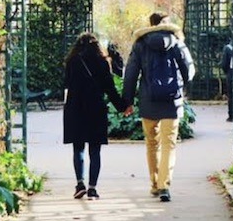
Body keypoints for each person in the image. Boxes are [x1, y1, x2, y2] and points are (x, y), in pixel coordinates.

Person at [122, 12, 195, 203]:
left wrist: (127, 100)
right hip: (172, 100)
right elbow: (189, 69)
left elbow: (130, 74)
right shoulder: (177, 42)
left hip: (148, 100)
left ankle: (154, 184)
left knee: (152, 143)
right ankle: (164, 185)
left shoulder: (140, 44)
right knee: (169, 143)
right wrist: (183, 84)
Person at [63, 32, 131, 200]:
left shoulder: (72, 62)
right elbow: (110, 89)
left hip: (75, 109)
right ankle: (92, 188)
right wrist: (123, 106)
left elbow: (66, 84)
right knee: (95, 150)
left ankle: (80, 184)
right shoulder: (102, 63)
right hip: (96, 109)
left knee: (78, 148)